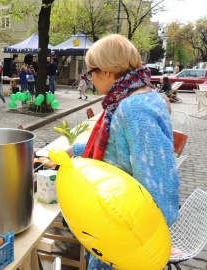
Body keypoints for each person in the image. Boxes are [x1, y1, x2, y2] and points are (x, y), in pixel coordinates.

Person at [72, 34, 179, 270]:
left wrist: (143, 243)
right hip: (121, 225)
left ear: (108, 72)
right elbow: (115, 146)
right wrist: (73, 150)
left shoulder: (134, 109)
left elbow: (158, 186)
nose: (90, 79)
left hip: (127, 236)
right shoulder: (134, 97)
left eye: (90, 72)